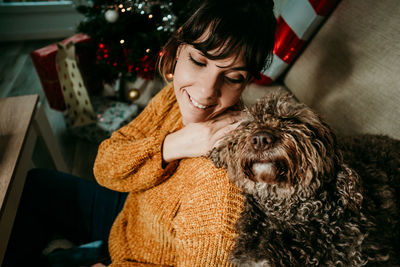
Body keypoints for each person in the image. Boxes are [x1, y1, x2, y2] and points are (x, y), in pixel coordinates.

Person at [3, 0, 276, 266]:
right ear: (179, 49)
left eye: (232, 77)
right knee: (35, 185)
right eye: (198, 61)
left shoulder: (221, 188)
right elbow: (105, 166)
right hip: (129, 216)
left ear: (246, 83)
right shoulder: (174, 95)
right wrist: (171, 146)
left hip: (137, 257)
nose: (205, 91)